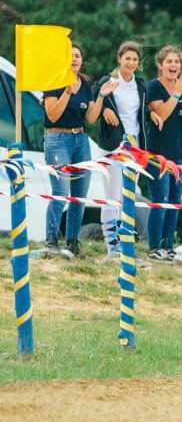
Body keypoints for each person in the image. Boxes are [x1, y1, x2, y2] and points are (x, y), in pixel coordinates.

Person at [41, 42, 107, 259]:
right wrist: (67, 91)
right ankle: (51, 241)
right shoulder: (54, 81)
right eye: (69, 56)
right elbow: (52, 115)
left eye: (77, 55)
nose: (74, 59)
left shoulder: (85, 84)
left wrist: (101, 96)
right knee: (60, 191)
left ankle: (72, 243)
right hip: (57, 138)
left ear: (81, 60)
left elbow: (90, 117)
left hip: (81, 139)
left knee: (80, 195)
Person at [94, 41, 148, 261]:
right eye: (127, 59)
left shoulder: (140, 85)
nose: (131, 63)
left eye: (135, 59)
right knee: (112, 197)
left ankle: (125, 246)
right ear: (119, 59)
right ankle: (111, 248)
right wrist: (104, 109)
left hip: (135, 147)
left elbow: (143, 111)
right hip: (112, 146)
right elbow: (92, 104)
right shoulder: (107, 82)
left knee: (128, 198)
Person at [144, 45, 182, 261]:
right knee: (160, 199)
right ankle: (154, 247)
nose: (173, 65)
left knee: (175, 200)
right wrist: (177, 93)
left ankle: (168, 246)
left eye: (177, 62)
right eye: (169, 61)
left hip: (177, 153)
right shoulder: (154, 87)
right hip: (156, 154)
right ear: (160, 65)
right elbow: (162, 114)